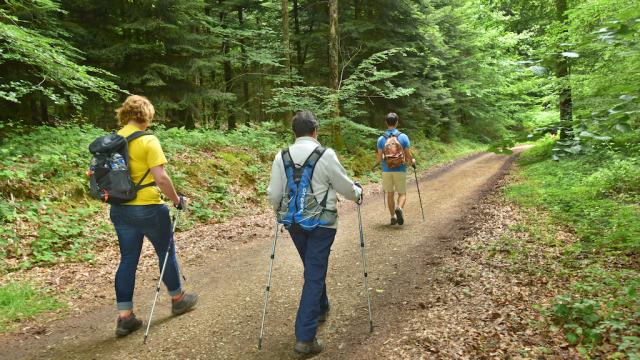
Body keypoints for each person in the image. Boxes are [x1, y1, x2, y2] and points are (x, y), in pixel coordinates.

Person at [267, 111, 363, 355]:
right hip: (322, 225)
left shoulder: (282, 156)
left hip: (295, 224)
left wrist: (279, 211)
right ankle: (305, 337)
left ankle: (321, 307)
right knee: (314, 272)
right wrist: (358, 193)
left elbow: (274, 193)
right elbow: (344, 186)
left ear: (295, 132)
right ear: (315, 131)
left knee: (312, 268)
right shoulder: (326, 154)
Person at [109, 95, 198, 338]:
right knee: (166, 251)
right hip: (148, 207)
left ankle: (125, 317)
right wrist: (177, 200)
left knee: (128, 259)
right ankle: (178, 299)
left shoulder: (113, 141)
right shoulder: (148, 140)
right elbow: (160, 177)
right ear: (146, 115)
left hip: (119, 209)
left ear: (125, 114)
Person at [376, 112, 415, 225]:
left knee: (390, 193)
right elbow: (408, 155)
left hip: (386, 170)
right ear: (397, 122)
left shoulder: (381, 139)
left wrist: (379, 162)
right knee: (402, 193)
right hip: (400, 169)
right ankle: (400, 208)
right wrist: (411, 162)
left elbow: (379, 158)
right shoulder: (403, 137)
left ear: (386, 122)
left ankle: (392, 216)